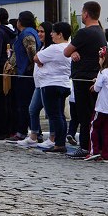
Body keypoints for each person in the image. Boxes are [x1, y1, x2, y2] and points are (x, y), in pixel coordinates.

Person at [63, 1, 106, 159]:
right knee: (91, 113)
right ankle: (94, 146)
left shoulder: (84, 33)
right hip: (94, 77)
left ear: (86, 14)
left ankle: (85, 146)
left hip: (83, 78)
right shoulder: (100, 31)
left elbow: (66, 51)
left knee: (84, 115)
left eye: (82, 11)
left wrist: (73, 52)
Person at [34, 22, 72, 154]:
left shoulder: (54, 48)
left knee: (54, 115)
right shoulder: (69, 47)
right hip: (64, 83)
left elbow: (36, 58)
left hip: (51, 84)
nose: (51, 34)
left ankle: (59, 143)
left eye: (53, 32)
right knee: (60, 115)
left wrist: (41, 63)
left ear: (60, 34)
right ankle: (59, 141)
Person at [17, 22, 53, 148]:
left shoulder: (51, 48)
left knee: (52, 111)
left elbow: (36, 59)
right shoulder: (43, 47)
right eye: (39, 31)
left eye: (42, 31)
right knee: (32, 109)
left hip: (48, 83)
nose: (39, 34)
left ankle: (53, 138)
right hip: (39, 84)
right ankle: (34, 135)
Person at [7, 11, 41, 142]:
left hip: (26, 74)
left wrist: (30, 67)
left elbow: (32, 53)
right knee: (24, 104)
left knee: (24, 105)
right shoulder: (29, 32)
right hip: (24, 72)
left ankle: (24, 132)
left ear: (20, 22)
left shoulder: (27, 34)